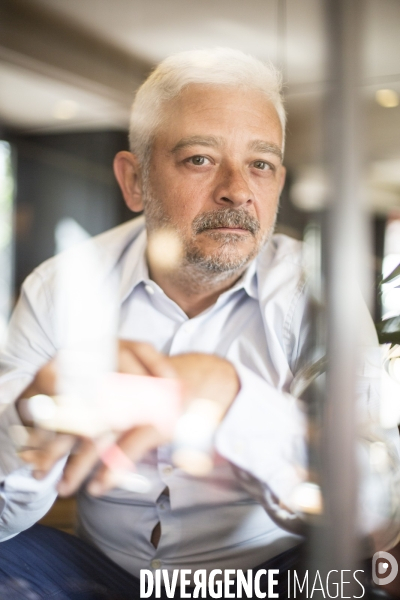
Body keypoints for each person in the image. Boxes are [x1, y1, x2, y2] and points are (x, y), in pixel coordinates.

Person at [0, 48, 398, 600]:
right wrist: (27, 421)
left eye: (261, 164)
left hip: (264, 572)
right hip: (97, 571)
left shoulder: (318, 301)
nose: (238, 189)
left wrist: (232, 397)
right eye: (200, 159)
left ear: (279, 181)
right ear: (135, 180)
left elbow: (369, 506)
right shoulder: (60, 287)